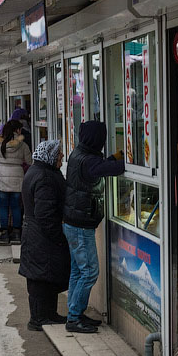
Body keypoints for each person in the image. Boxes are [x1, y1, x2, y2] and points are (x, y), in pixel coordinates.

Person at [63, 120, 125, 334]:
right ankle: (74, 317)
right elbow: (114, 169)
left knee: (78, 271)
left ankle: (75, 313)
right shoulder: (88, 160)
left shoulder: (79, 154)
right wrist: (128, 157)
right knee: (89, 272)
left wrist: (116, 155)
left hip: (73, 222)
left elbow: (102, 165)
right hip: (80, 226)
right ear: (96, 138)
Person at [19, 141, 70, 331]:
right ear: (50, 156)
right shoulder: (44, 177)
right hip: (41, 236)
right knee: (40, 277)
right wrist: (58, 237)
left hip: (36, 233)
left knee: (45, 275)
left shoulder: (38, 171)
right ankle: (39, 318)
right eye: (59, 155)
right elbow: (45, 213)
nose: (62, 157)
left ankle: (48, 314)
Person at [0, 118, 32, 246]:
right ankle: (16, 233)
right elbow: (29, 162)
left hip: (1, 177)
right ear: (17, 130)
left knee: (3, 207)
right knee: (16, 206)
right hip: (17, 177)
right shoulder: (23, 145)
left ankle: (4, 233)